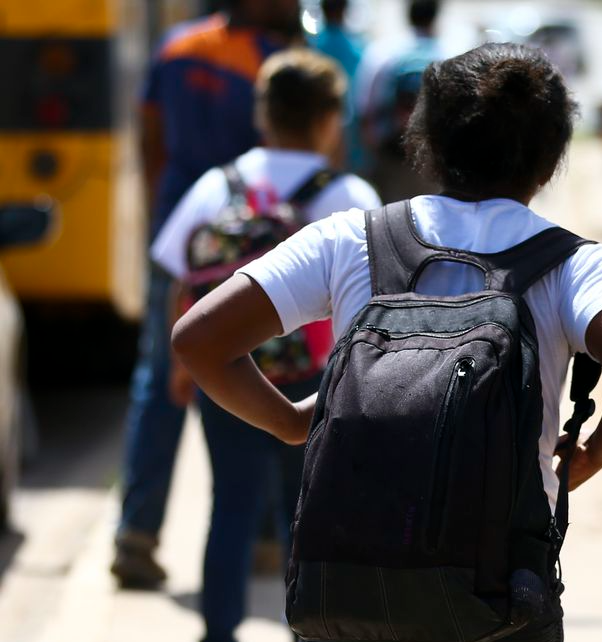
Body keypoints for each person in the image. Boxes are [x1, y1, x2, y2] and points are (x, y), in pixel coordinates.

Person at [171, 43, 602, 642]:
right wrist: (592, 453)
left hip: (351, 601)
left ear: (423, 138)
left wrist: (295, 423)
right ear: (553, 157)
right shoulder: (574, 264)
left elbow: (200, 338)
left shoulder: (351, 238)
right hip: (501, 605)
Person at [149, 50, 381, 642]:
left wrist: (181, 367)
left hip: (229, 379)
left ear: (262, 114)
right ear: (330, 118)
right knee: (306, 524)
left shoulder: (216, 185)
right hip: (316, 387)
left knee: (229, 510)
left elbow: (182, 279)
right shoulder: (347, 196)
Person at [113, 0, 302, 590]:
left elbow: (148, 142)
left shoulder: (176, 46)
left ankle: (136, 533)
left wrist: (160, 220)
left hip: (178, 237)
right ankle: (265, 539)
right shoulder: (272, 60)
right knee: (266, 373)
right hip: (248, 247)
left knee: (160, 380)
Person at [355, 0, 444, 202]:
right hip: (429, 157)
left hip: (390, 152)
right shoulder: (447, 53)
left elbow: (363, 106)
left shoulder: (382, 52)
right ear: (436, 17)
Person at [309, 0, 367, 171]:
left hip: (316, 127)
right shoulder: (358, 47)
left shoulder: (311, 45)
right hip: (351, 133)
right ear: (344, 10)